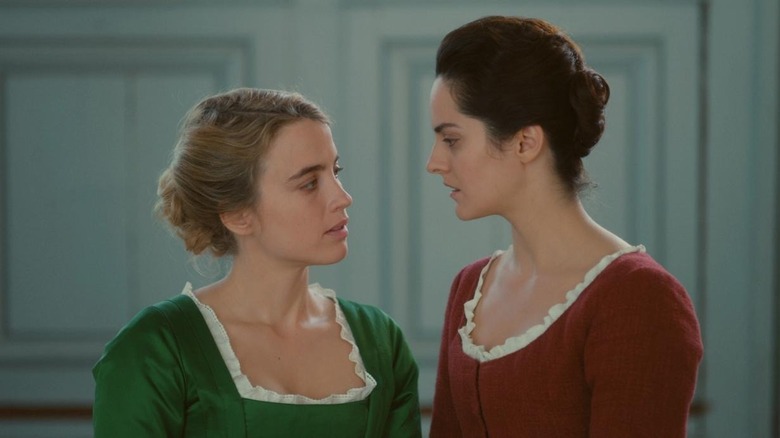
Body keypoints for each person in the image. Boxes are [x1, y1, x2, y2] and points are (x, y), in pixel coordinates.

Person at [425, 16, 703, 438]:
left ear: (525, 142)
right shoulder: (469, 289)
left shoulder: (639, 299)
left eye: (451, 139)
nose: (434, 162)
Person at [92, 88, 422, 437]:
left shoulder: (380, 340)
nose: (343, 197)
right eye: (310, 183)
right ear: (237, 215)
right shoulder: (153, 350)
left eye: (335, 171)